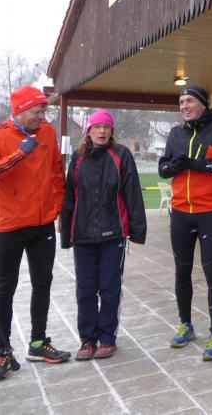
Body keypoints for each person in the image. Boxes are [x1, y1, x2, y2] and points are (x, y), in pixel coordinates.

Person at [0, 86, 71, 376]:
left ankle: (38, 343)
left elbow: (56, 171)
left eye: (44, 110)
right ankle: (3, 351)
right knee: (5, 288)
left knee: (43, 283)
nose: (42, 116)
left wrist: (57, 207)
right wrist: (19, 154)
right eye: (37, 111)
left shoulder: (47, 132)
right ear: (20, 110)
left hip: (43, 225)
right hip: (10, 225)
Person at [158, 85, 212, 361]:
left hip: (209, 212)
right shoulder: (175, 134)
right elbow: (163, 168)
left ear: (203, 103)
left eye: (189, 101)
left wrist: (192, 163)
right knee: (182, 271)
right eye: (181, 102)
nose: (184, 106)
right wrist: (174, 166)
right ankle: (185, 325)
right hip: (180, 211)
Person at [61, 109, 147, 360]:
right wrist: (66, 234)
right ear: (88, 131)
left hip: (113, 235)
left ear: (112, 131)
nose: (101, 131)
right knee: (85, 291)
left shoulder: (121, 155)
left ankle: (107, 338)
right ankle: (87, 340)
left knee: (110, 289)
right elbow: (69, 197)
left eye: (106, 127)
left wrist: (137, 230)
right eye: (97, 127)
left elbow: (133, 193)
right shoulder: (78, 158)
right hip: (83, 236)